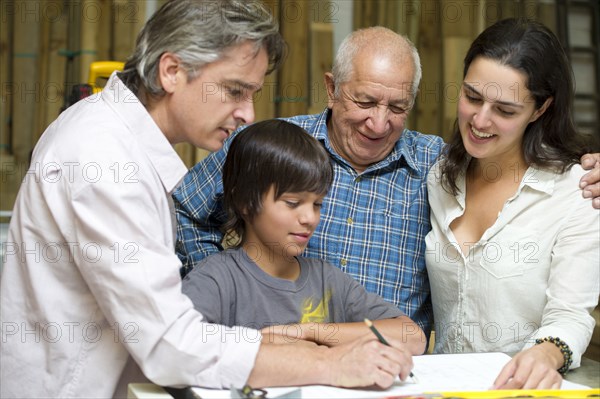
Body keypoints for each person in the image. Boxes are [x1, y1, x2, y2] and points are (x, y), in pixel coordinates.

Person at [0, 2, 413, 398]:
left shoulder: (115, 142)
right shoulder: (104, 159)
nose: (247, 113)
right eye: (235, 90)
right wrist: (331, 364)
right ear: (172, 70)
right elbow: (170, 345)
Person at [174, 25, 600, 340]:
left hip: (390, 372)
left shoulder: (440, 166)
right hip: (274, 365)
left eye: (398, 106)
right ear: (331, 88)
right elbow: (184, 210)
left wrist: (588, 167)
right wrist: (233, 284)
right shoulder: (274, 148)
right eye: (364, 101)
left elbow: (523, 162)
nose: (378, 123)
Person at [425, 18, 600, 390]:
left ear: (539, 110)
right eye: (472, 96)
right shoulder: (438, 175)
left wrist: (546, 353)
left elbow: (571, 314)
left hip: (517, 390)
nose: (480, 120)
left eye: (505, 110)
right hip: (440, 389)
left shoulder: (576, 192)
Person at [182, 119, 426, 357]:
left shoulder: (327, 280)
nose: (310, 218)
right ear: (245, 202)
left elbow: (412, 337)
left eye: (317, 204)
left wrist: (309, 332)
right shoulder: (216, 278)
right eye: (293, 203)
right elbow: (180, 346)